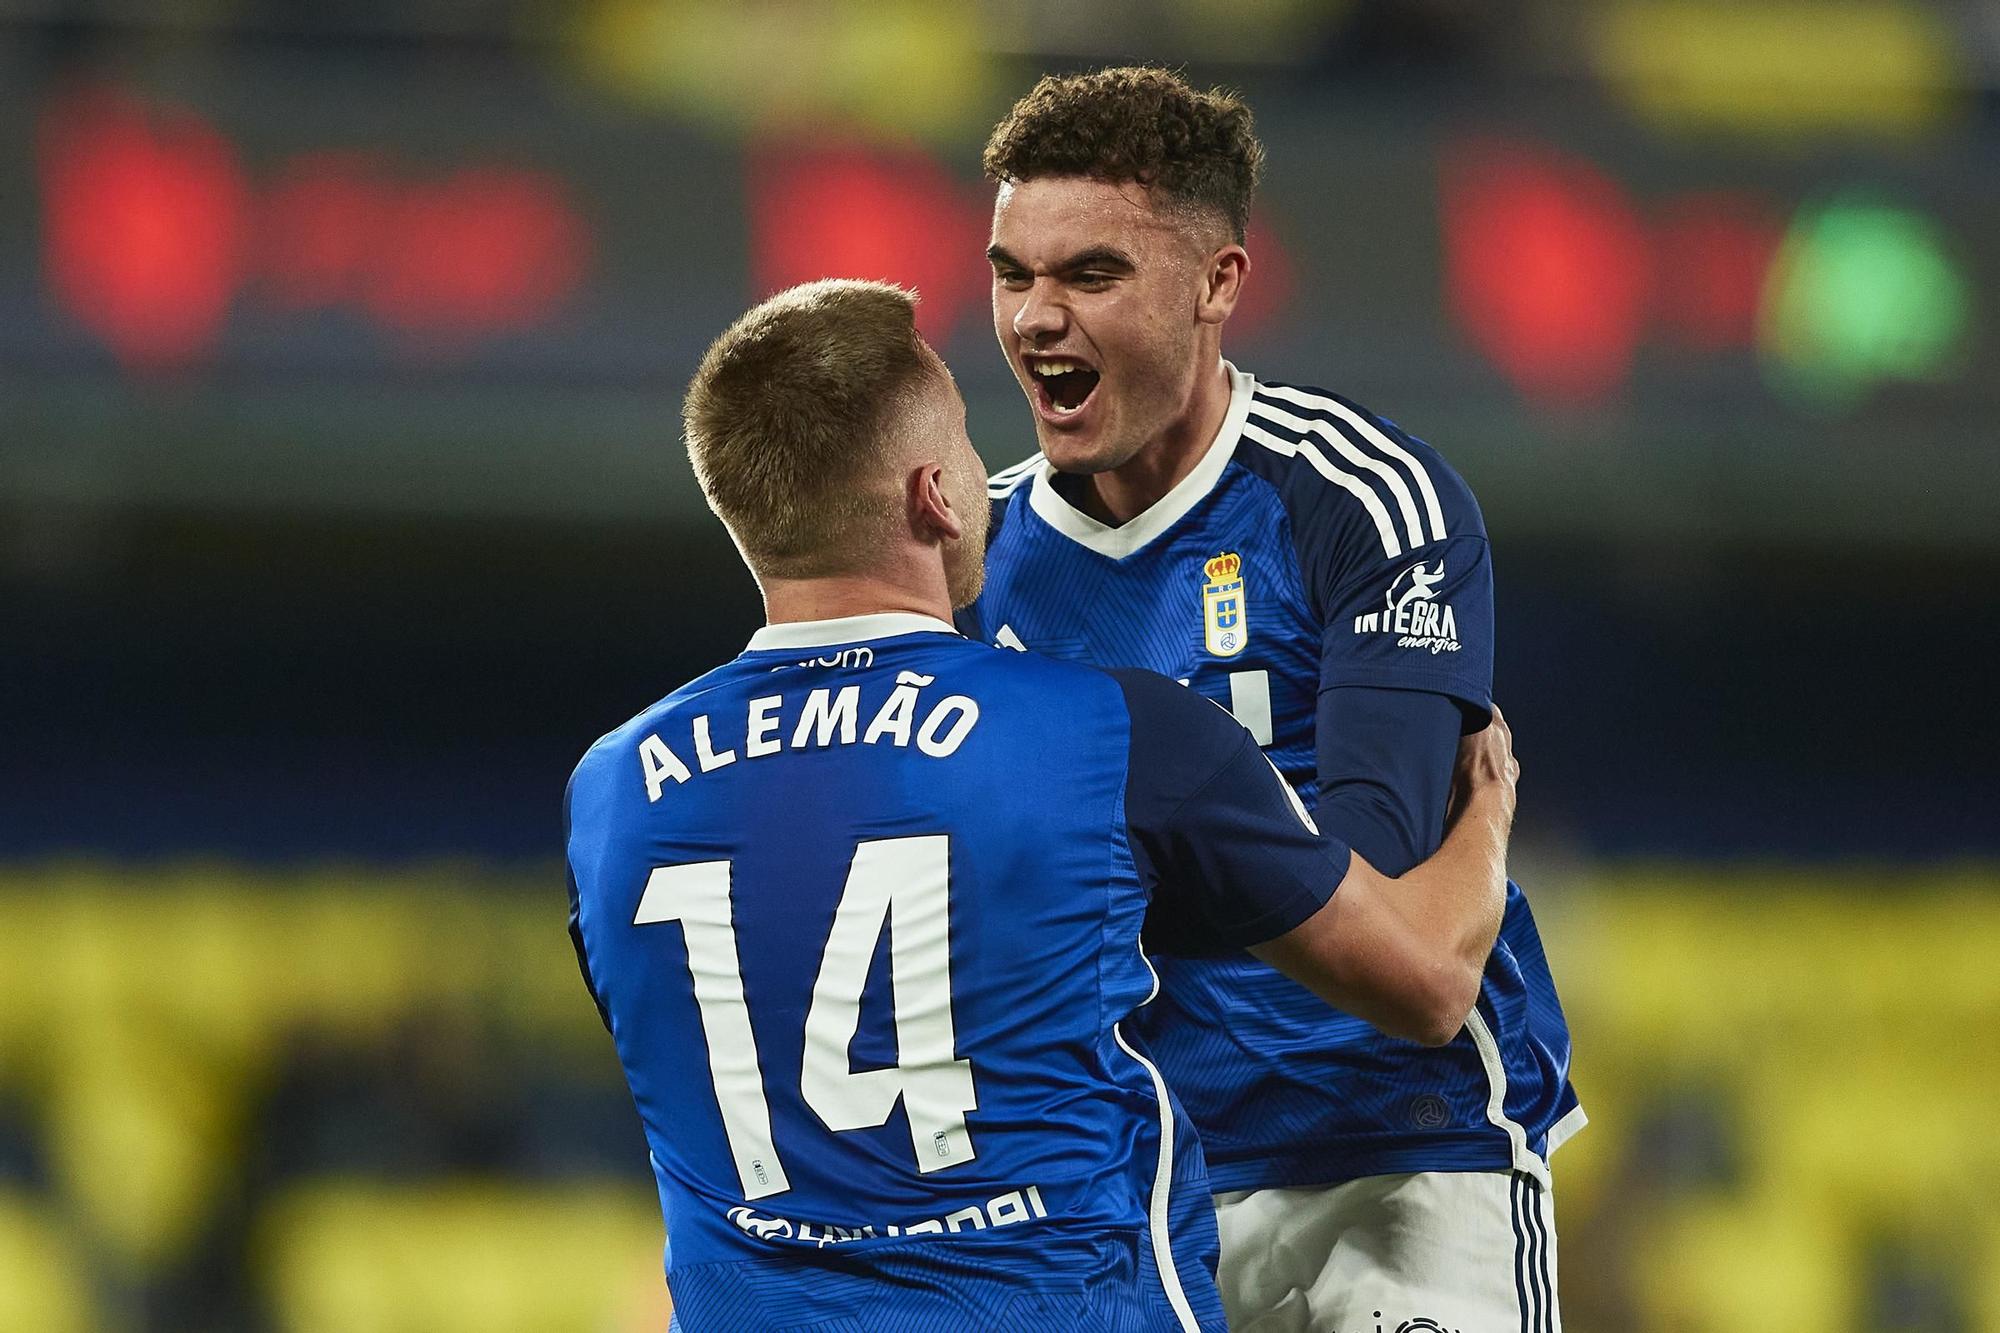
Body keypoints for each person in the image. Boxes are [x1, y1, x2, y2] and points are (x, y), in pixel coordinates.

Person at [564, 279, 1522, 1331]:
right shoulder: (1110, 733)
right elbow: (1426, 981)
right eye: (970, 445)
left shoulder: (609, 790)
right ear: (934, 494)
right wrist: (1484, 807)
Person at [966, 67, 1583, 1332]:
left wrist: (1098, 879)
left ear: (1217, 285)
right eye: (1010, 272)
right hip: (1128, 1186)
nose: (1034, 317)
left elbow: (1375, 867)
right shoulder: (967, 558)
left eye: (1089, 276)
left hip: (1400, 1153)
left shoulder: (1361, 500)